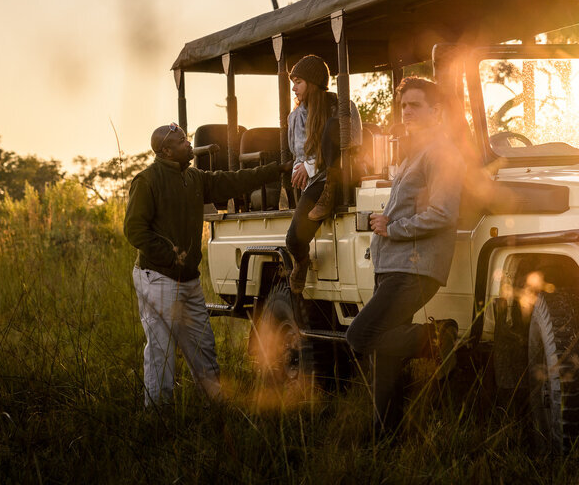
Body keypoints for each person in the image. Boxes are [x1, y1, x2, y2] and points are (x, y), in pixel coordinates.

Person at [124, 122, 292, 407]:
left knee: (203, 345)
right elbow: (134, 230)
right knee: (161, 351)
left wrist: (276, 169)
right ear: (166, 150)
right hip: (158, 277)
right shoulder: (147, 181)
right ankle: (157, 415)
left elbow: (233, 180)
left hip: (188, 280)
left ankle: (216, 407)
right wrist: (170, 255)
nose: (189, 145)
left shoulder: (194, 178)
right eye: (181, 142)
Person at [345, 77, 465, 434]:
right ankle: (386, 436)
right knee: (386, 353)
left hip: (413, 269)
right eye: (403, 106)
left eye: (415, 105)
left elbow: (444, 213)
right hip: (394, 265)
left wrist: (391, 228)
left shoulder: (441, 152)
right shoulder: (416, 153)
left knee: (359, 337)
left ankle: (438, 338)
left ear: (437, 111)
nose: (407, 111)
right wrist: (385, 224)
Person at [286, 54, 362, 293]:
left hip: (346, 175)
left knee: (333, 126)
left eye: (298, 81)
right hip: (318, 182)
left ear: (313, 81)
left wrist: (309, 166)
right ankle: (301, 261)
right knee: (294, 240)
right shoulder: (295, 117)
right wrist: (304, 167)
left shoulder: (342, 107)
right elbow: (297, 150)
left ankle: (329, 193)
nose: (293, 87)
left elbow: (354, 142)